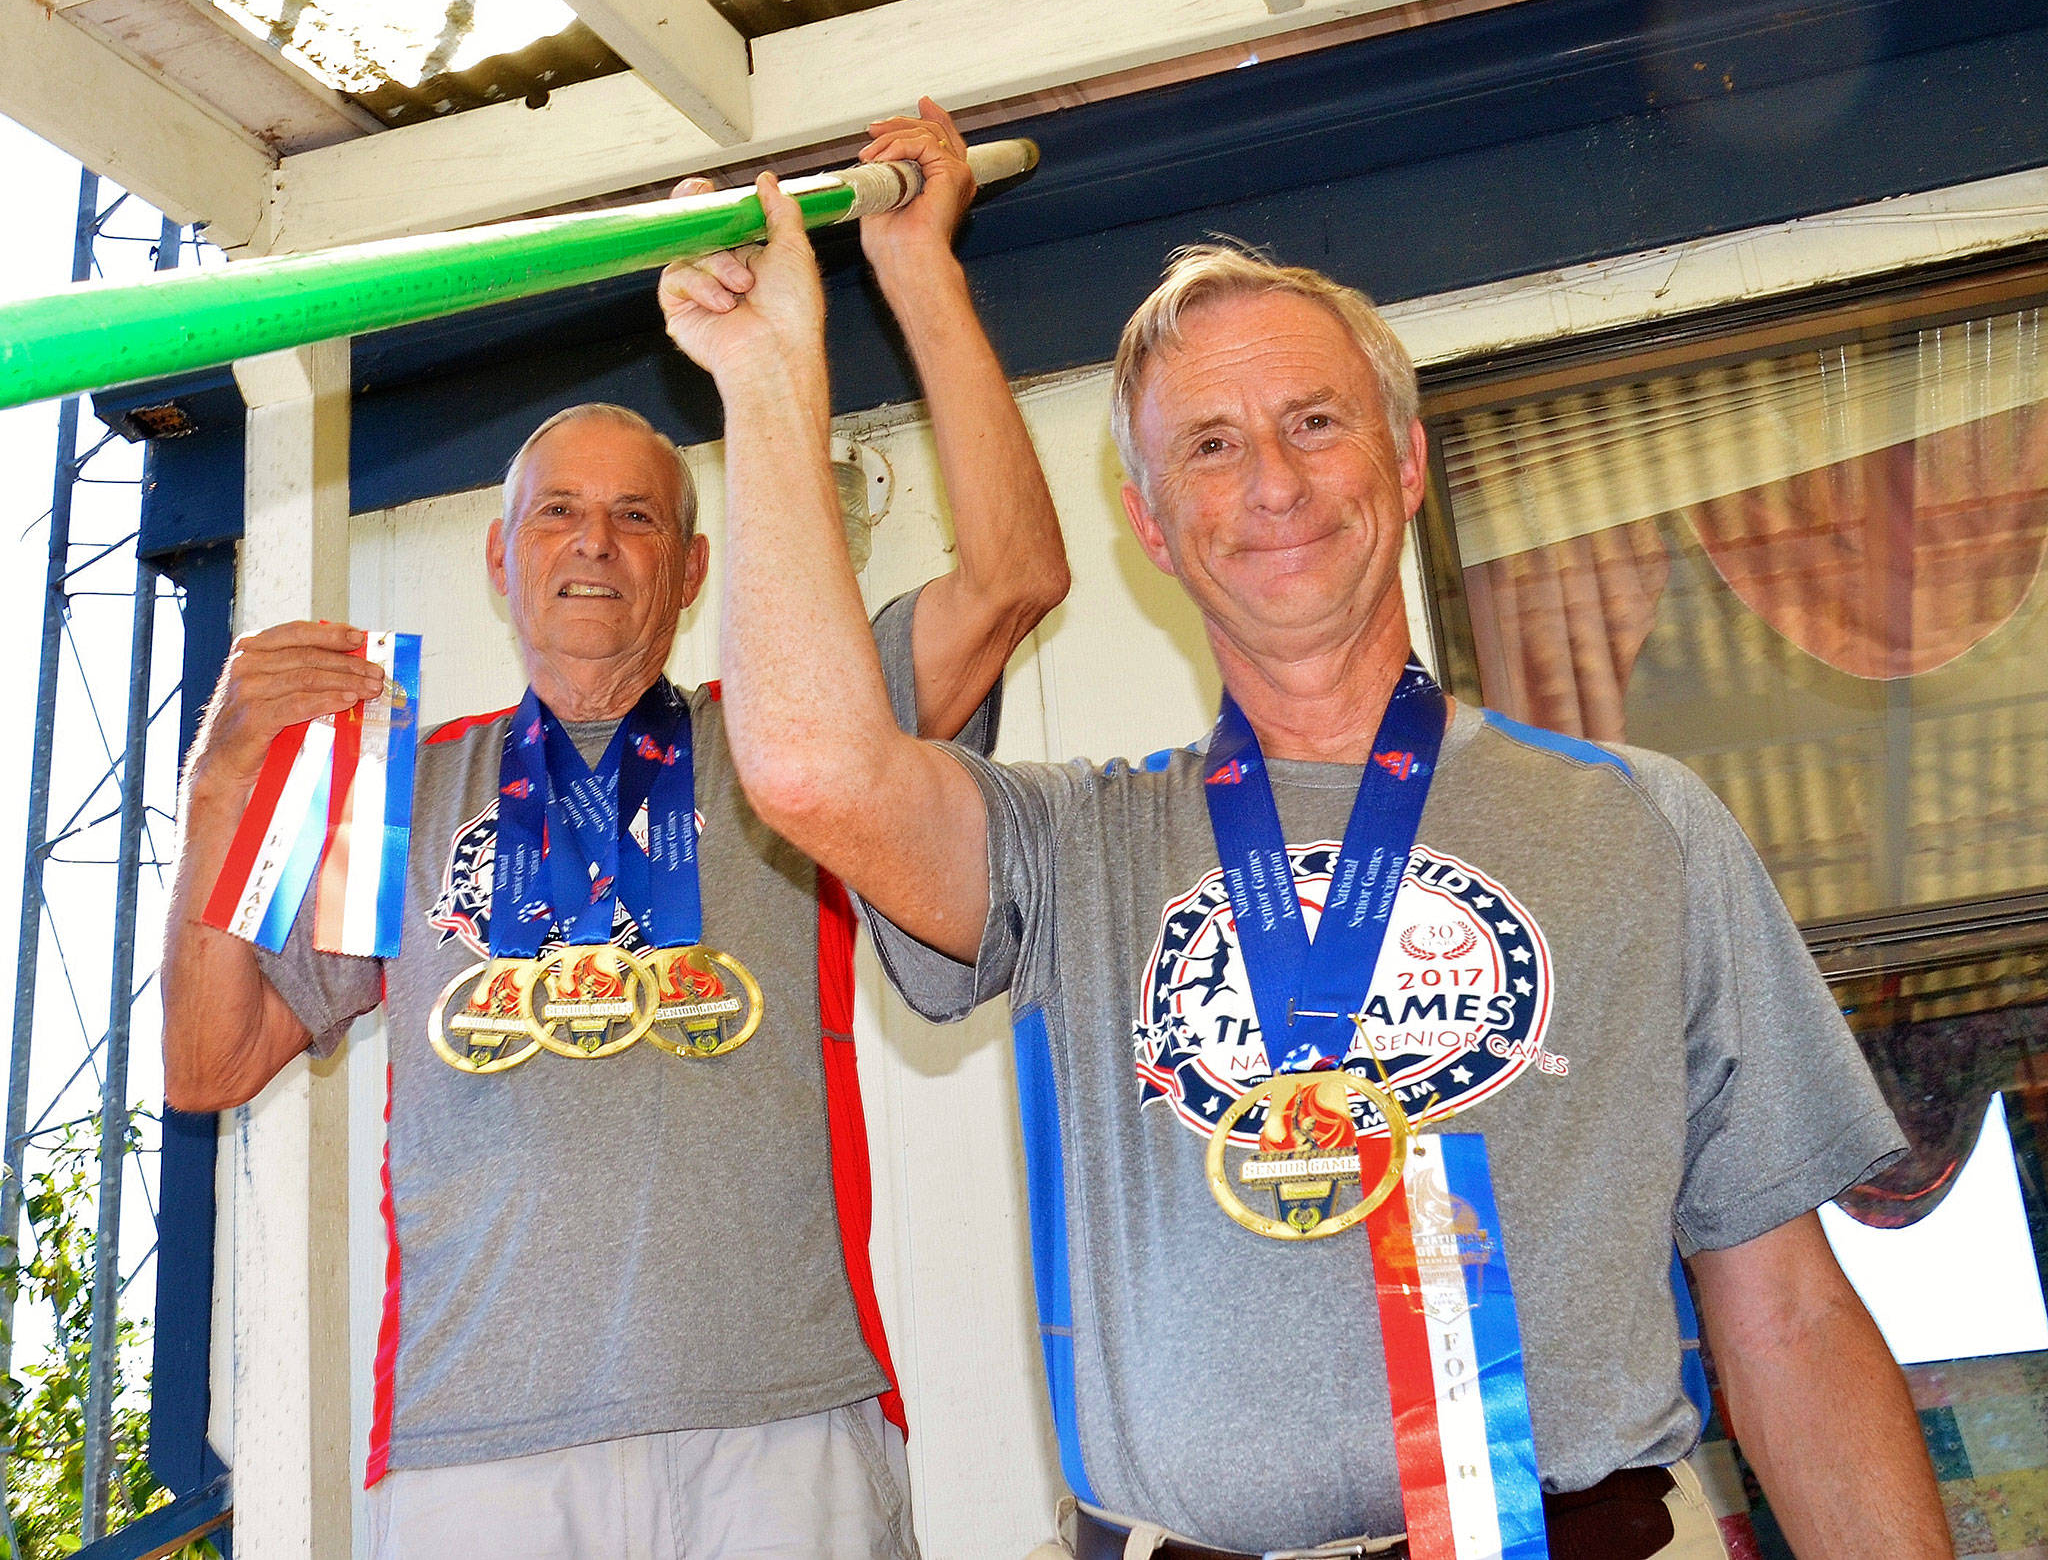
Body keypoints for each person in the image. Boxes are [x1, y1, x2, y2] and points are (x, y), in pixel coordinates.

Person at [670, 174, 1956, 1559]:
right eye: (1211, 447)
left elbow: (1792, 1315)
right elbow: (808, 769)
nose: (1272, 483)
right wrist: (769, 378)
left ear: (1405, 466)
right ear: (1152, 527)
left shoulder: (1642, 823)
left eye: (1314, 423)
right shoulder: (1077, 847)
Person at [162, 101, 1069, 1559]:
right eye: (559, 516)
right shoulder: (385, 781)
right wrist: (222, 780)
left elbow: (1016, 573)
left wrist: (918, 272)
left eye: (638, 520)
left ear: (698, 567)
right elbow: (210, 1062)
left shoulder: (794, 736)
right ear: (500, 558)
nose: (594, 544)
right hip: (476, 1453)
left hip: (784, 1420)